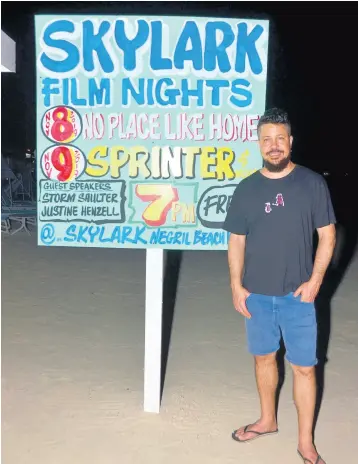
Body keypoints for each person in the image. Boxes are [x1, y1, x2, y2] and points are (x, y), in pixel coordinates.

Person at [223, 108, 336, 464]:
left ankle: (305, 442)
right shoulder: (246, 188)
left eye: (280, 139)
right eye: (267, 140)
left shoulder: (312, 183)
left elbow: (327, 234)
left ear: (291, 142)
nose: (274, 146)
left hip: (298, 295)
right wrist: (236, 286)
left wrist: (316, 279)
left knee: (304, 367)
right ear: (259, 144)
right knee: (264, 360)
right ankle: (268, 420)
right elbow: (236, 241)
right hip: (256, 295)